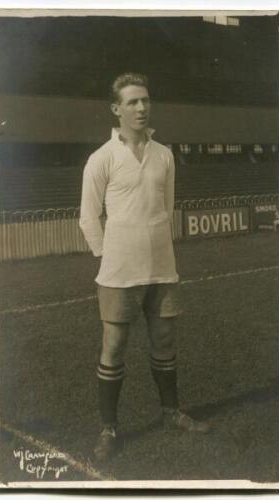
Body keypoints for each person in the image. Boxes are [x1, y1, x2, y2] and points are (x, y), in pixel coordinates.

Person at [79, 73, 209, 462]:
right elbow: (88, 217)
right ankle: (108, 428)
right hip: (119, 273)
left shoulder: (165, 154)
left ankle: (171, 413)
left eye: (146, 100)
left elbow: (166, 211)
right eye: (133, 102)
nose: (141, 107)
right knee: (114, 347)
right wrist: (110, 255)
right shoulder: (101, 158)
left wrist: (153, 248)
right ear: (116, 108)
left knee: (165, 342)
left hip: (162, 268)